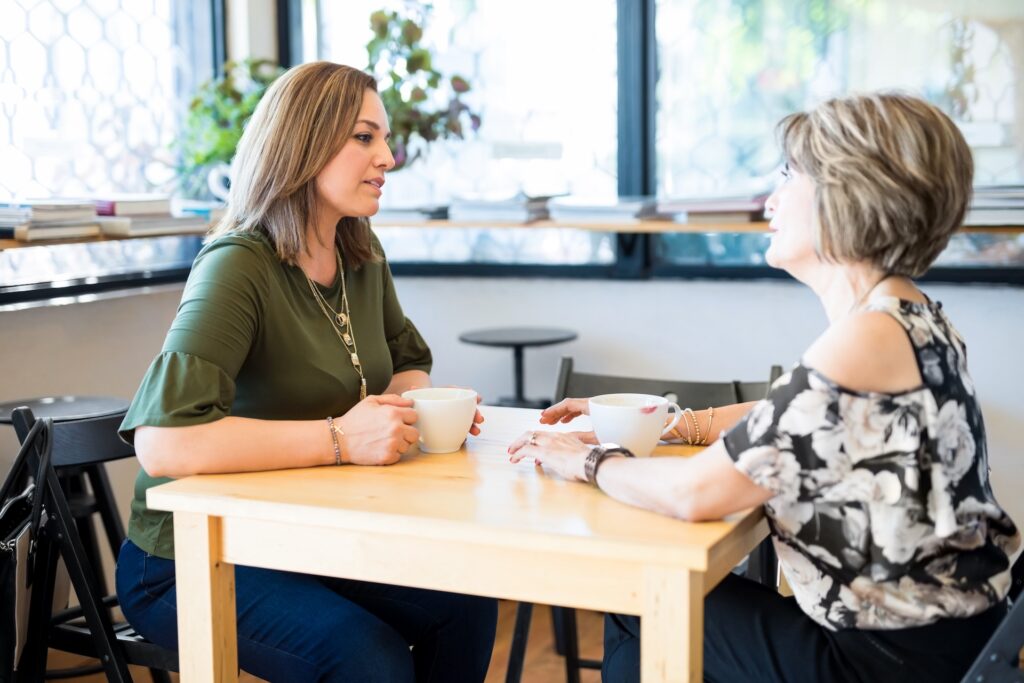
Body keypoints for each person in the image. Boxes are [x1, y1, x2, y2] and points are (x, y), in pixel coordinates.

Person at [509, 92, 1021, 682]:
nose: (769, 200)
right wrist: (675, 424)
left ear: (846, 193)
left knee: (637, 603)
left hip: (884, 662)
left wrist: (588, 459)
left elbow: (691, 496)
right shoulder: (910, 315)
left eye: (788, 175)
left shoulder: (864, 339)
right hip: (946, 639)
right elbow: (792, 412)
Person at [114, 61, 497, 683]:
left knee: (466, 601)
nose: (389, 158)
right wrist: (343, 439)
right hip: (190, 556)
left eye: (386, 139)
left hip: (306, 534)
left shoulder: (360, 250)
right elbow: (165, 442)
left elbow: (407, 362)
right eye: (365, 138)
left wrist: (409, 410)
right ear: (305, 144)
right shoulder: (237, 265)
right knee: (365, 657)